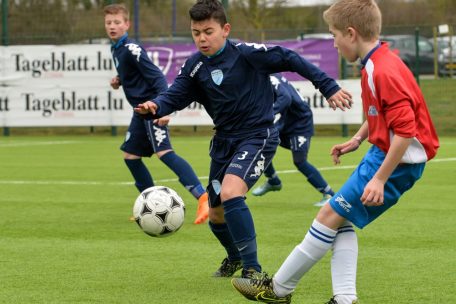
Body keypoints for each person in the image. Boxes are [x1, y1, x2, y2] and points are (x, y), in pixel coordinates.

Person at [231, 0, 440, 303]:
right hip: (383, 154)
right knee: (339, 218)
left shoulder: (382, 71)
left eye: (333, 35)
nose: (334, 42)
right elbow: (381, 114)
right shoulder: (377, 62)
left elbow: (405, 132)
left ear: (351, 33)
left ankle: (278, 289)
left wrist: (380, 179)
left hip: (397, 161)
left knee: (328, 214)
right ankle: (344, 298)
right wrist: (356, 139)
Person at [134, 0, 352, 280]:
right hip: (224, 143)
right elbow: (174, 95)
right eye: (196, 32)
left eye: (208, 31)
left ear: (225, 29)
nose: (202, 38)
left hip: (257, 137)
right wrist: (155, 106)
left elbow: (289, 58)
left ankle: (254, 269)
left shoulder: (247, 54)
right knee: (216, 215)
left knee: (231, 192)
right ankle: (235, 257)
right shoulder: (194, 66)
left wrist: (328, 86)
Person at [103, 3, 209, 224]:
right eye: (108, 23)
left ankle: (203, 197)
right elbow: (132, 74)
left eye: (117, 22)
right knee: (131, 157)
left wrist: (163, 107)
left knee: (164, 153)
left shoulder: (132, 49)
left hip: (151, 108)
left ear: (127, 24)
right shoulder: (116, 48)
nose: (112, 26)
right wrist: (119, 80)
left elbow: (157, 77)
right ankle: (150, 204)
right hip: (140, 112)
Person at [251, 73, 335, 207]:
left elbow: (286, 98)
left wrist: (269, 113)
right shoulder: (261, 78)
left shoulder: (269, 76)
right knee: (260, 145)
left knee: (300, 161)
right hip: (285, 122)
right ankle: (273, 181)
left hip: (299, 124)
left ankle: (329, 194)